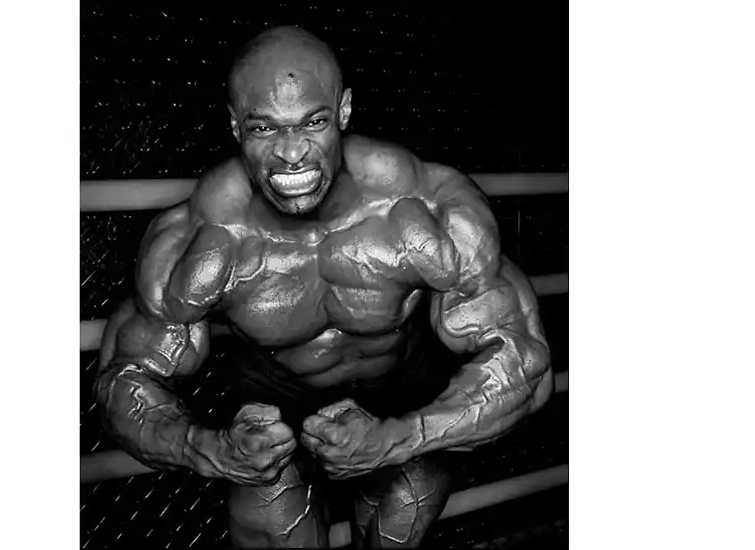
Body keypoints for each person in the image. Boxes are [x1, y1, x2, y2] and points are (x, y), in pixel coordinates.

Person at [94, 25, 553, 549]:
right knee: (270, 504)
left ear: (344, 111)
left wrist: (401, 437)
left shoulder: (417, 212)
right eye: (264, 128)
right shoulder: (206, 239)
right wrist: (210, 448)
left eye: (313, 122)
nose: (292, 154)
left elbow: (525, 365)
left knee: (411, 493)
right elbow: (121, 382)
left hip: (396, 410)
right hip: (276, 431)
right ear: (235, 125)